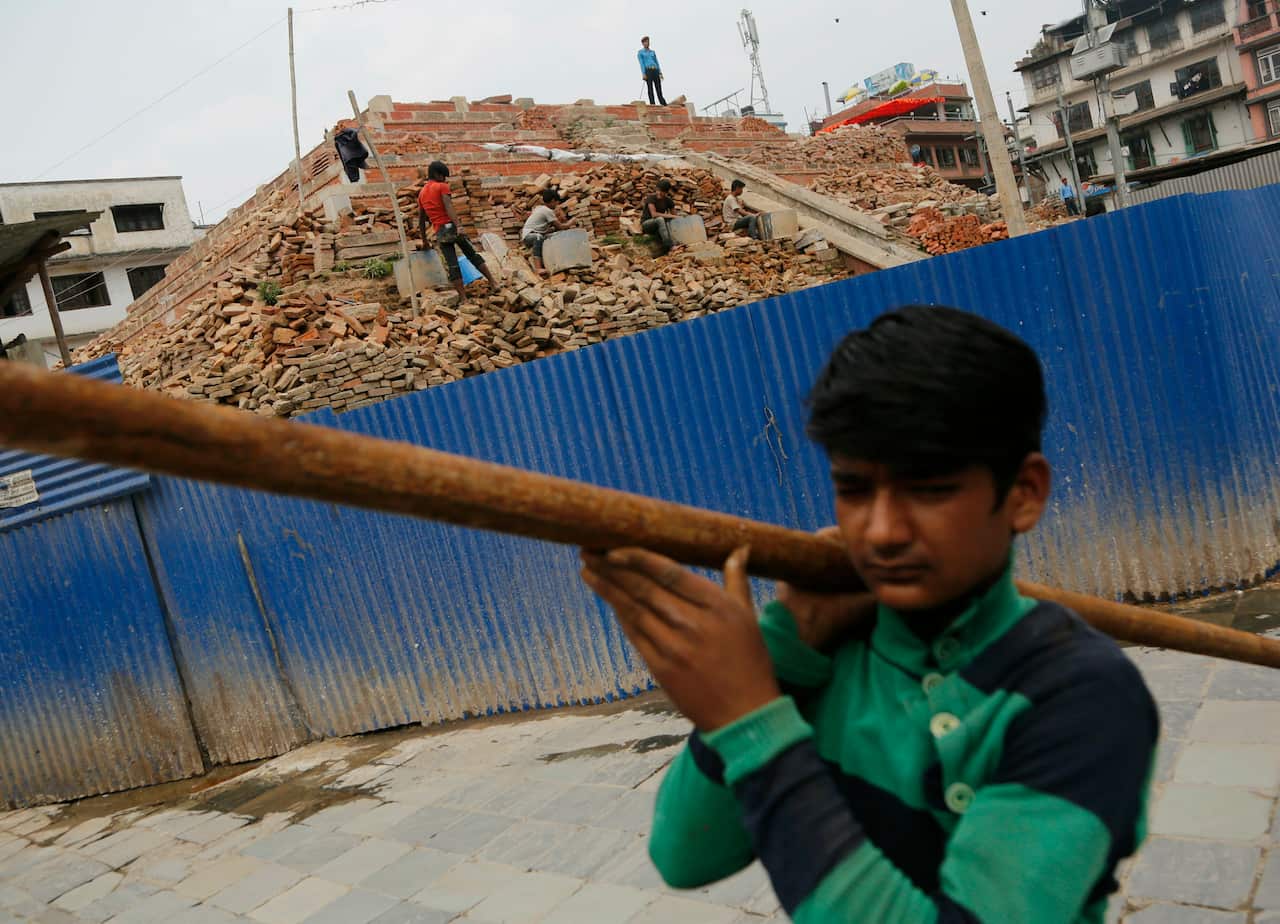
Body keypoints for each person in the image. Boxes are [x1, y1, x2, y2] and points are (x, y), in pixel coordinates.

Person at [580, 305, 1158, 924]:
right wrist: (782, 650)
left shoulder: (1084, 695)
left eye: (930, 489)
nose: (881, 532)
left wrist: (748, 716)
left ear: (1024, 494)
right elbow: (685, 859)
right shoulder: (825, 655)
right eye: (855, 489)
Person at [417, 160, 499, 298]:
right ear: (437, 174)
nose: (445, 179)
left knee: (452, 265)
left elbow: (421, 220)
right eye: (443, 176)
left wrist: (424, 240)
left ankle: (463, 298)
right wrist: (459, 226)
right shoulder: (442, 186)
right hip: (451, 227)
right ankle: (493, 283)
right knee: (472, 255)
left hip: (440, 232)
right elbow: (449, 206)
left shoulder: (422, 193)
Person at [522, 188, 568, 276]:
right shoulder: (547, 211)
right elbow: (561, 227)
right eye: (557, 202)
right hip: (529, 236)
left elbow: (553, 228)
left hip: (532, 234)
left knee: (550, 236)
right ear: (553, 200)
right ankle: (538, 268)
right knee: (538, 237)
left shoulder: (541, 208)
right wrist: (572, 222)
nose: (557, 205)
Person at [641, 178, 679, 256]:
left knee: (671, 221)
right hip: (647, 224)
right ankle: (670, 246)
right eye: (658, 190)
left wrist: (677, 218)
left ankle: (676, 243)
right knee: (660, 219)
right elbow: (654, 214)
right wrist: (671, 216)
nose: (659, 192)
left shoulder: (668, 201)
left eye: (662, 191)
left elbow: (675, 216)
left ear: (666, 192)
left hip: (659, 226)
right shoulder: (651, 198)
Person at [638, 36, 667, 107]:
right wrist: (644, 74)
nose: (647, 43)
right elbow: (642, 64)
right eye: (645, 42)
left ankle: (663, 103)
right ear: (643, 43)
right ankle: (652, 103)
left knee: (658, 88)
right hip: (648, 71)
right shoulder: (640, 53)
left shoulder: (652, 52)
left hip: (655, 70)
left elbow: (657, 62)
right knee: (650, 88)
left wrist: (660, 72)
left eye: (648, 41)